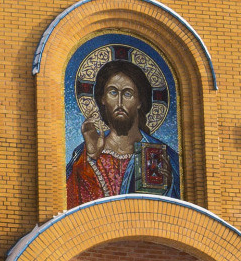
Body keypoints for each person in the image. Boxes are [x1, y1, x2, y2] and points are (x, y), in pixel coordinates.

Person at [66, 56, 177, 206]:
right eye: (113, 92)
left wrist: (168, 187)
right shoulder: (85, 152)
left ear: (139, 101)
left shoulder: (162, 155)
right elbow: (71, 207)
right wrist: (89, 159)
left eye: (127, 94)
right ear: (103, 98)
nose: (119, 102)